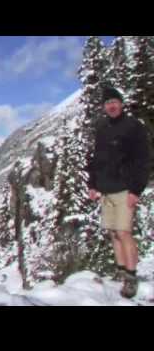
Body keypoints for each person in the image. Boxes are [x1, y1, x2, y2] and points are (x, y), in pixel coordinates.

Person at [87, 87, 151, 299]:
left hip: (125, 189)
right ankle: (121, 271)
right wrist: (93, 184)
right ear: (104, 107)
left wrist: (136, 189)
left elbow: (143, 160)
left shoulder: (133, 127)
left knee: (124, 233)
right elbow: (96, 160)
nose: (112, 106)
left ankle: (131, 277)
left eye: (115, 101)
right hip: (106, 189)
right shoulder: (102, 128)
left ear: (121, 103)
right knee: (114, 232)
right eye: (107, 103)